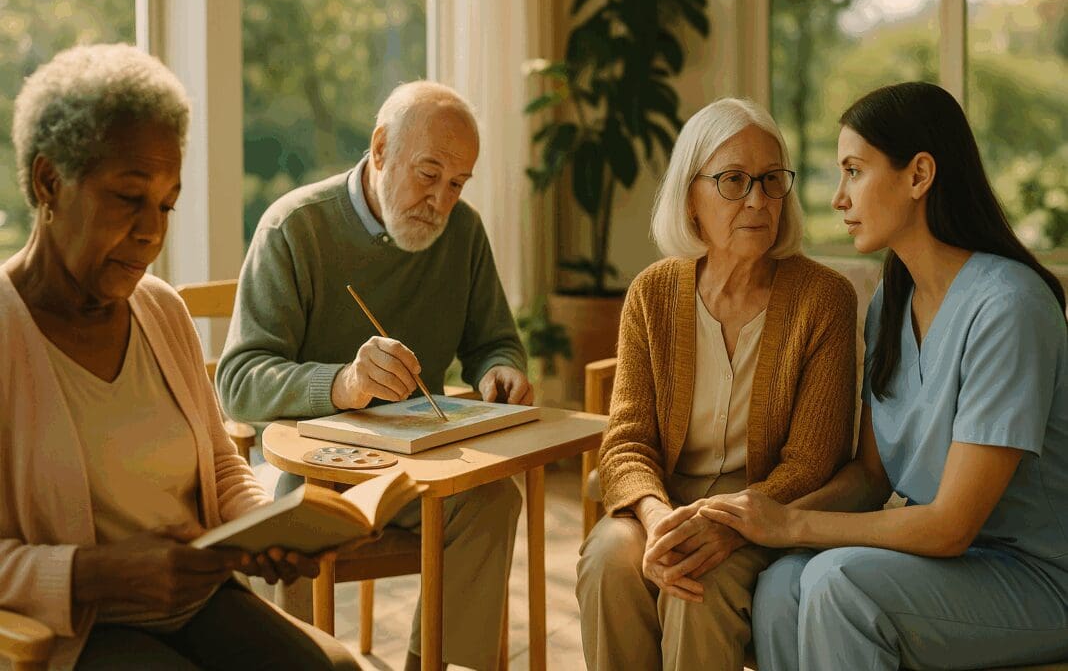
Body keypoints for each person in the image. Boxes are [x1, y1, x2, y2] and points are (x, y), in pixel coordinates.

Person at [0, 43, 357, 671]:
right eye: (128, 198)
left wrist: (262, 524)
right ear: (48, 180)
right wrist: (96, 575)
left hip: (199, 601)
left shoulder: (161, 310)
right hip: (78, 630)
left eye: (166, 204)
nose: (152, 232)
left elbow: (219, 463)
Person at [699, 82, 1068, 670]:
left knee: (839, 584)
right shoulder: (890, 303)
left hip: (1036, 578)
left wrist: (793, 521)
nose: (838, 198)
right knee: (781, 585)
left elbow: (951, 526)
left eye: (854, 170)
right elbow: (872, 477)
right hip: (946, 563)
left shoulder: (1009, 307)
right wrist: (757, 522)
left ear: (919, 175)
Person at [216, 80, 528, 671]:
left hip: (414, 466)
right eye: (428, 174)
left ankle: (434, 665)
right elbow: (237, 381)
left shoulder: (463, 233)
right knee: (291, 523)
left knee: (492, 500)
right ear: (381, 149)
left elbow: (495, 341)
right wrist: (343, 385)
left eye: (457, 183)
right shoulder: (294, 227)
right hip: (308, 466)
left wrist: (501, 370)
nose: (441, 200)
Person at [575, 97, 857, 671]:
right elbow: (627, 442)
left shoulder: (823, 298)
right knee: (607, 559)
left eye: (771, 180)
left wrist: (728, 525)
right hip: (666, 500)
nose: (758, 200)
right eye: (734, 181)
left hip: (764, 506)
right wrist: (657, 521)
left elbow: (813, 460)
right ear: (690, 198)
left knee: (697, 590)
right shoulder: (652, 293)